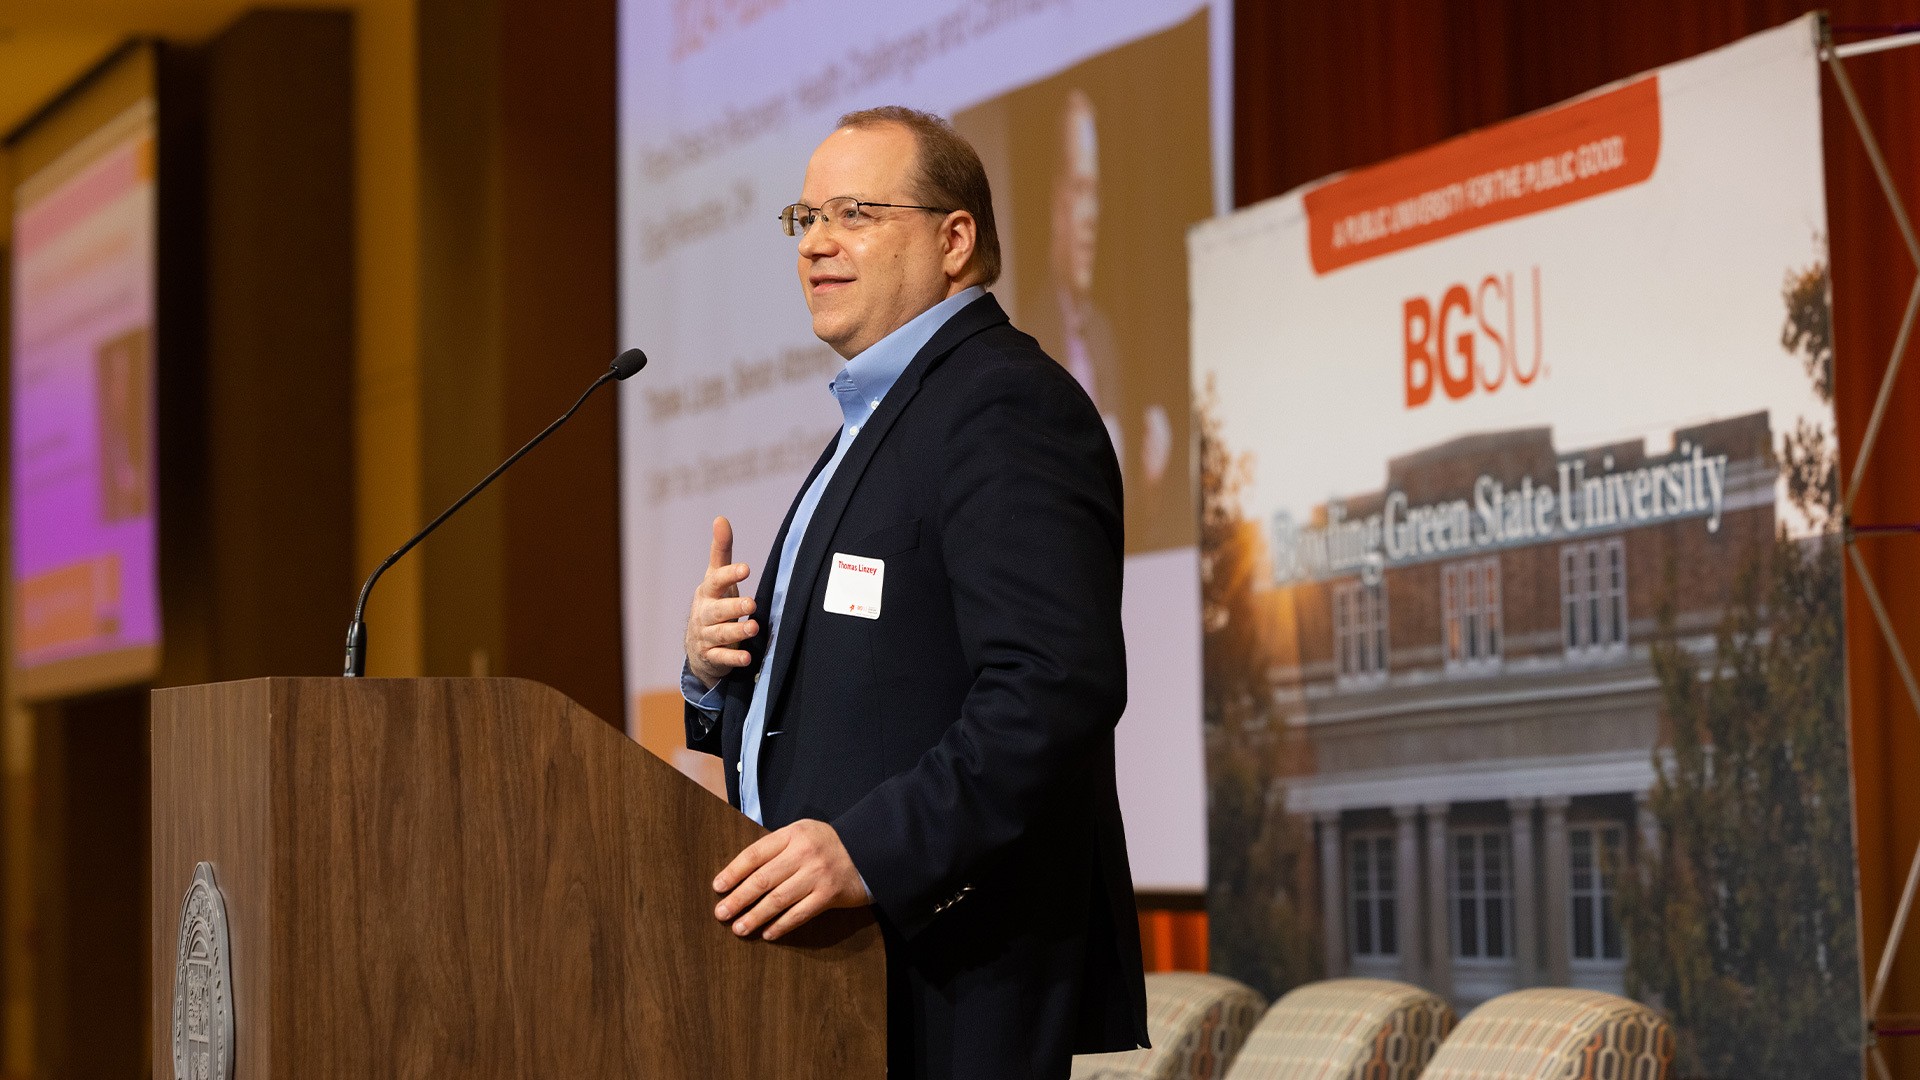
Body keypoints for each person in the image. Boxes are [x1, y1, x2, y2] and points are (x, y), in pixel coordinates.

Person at [680, 106, 1148, 1079]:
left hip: (951, 972)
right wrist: (715, 674)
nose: (817, 243)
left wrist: (866, 852)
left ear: (955, 239)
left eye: (854, 212)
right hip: (844, 971)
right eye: (803, 219)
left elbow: (1052, 690)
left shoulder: (1001, 405)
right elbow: (868, 700)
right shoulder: (887, 416)